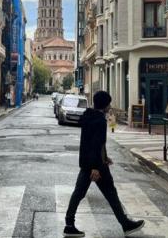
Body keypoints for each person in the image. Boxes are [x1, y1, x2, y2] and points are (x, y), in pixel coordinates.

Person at [63, 91, 144, 237]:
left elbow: (92, 143)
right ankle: (125, 224)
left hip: (87, 162)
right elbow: (96, 143)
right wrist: (96, 166)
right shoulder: (99, 120)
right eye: (109, 103)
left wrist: (105, 157)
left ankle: (69, 224)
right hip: (96, 166)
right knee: (111, 194)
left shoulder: (88, 116)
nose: (110, 106)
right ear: (105, 104)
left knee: (79, 193)